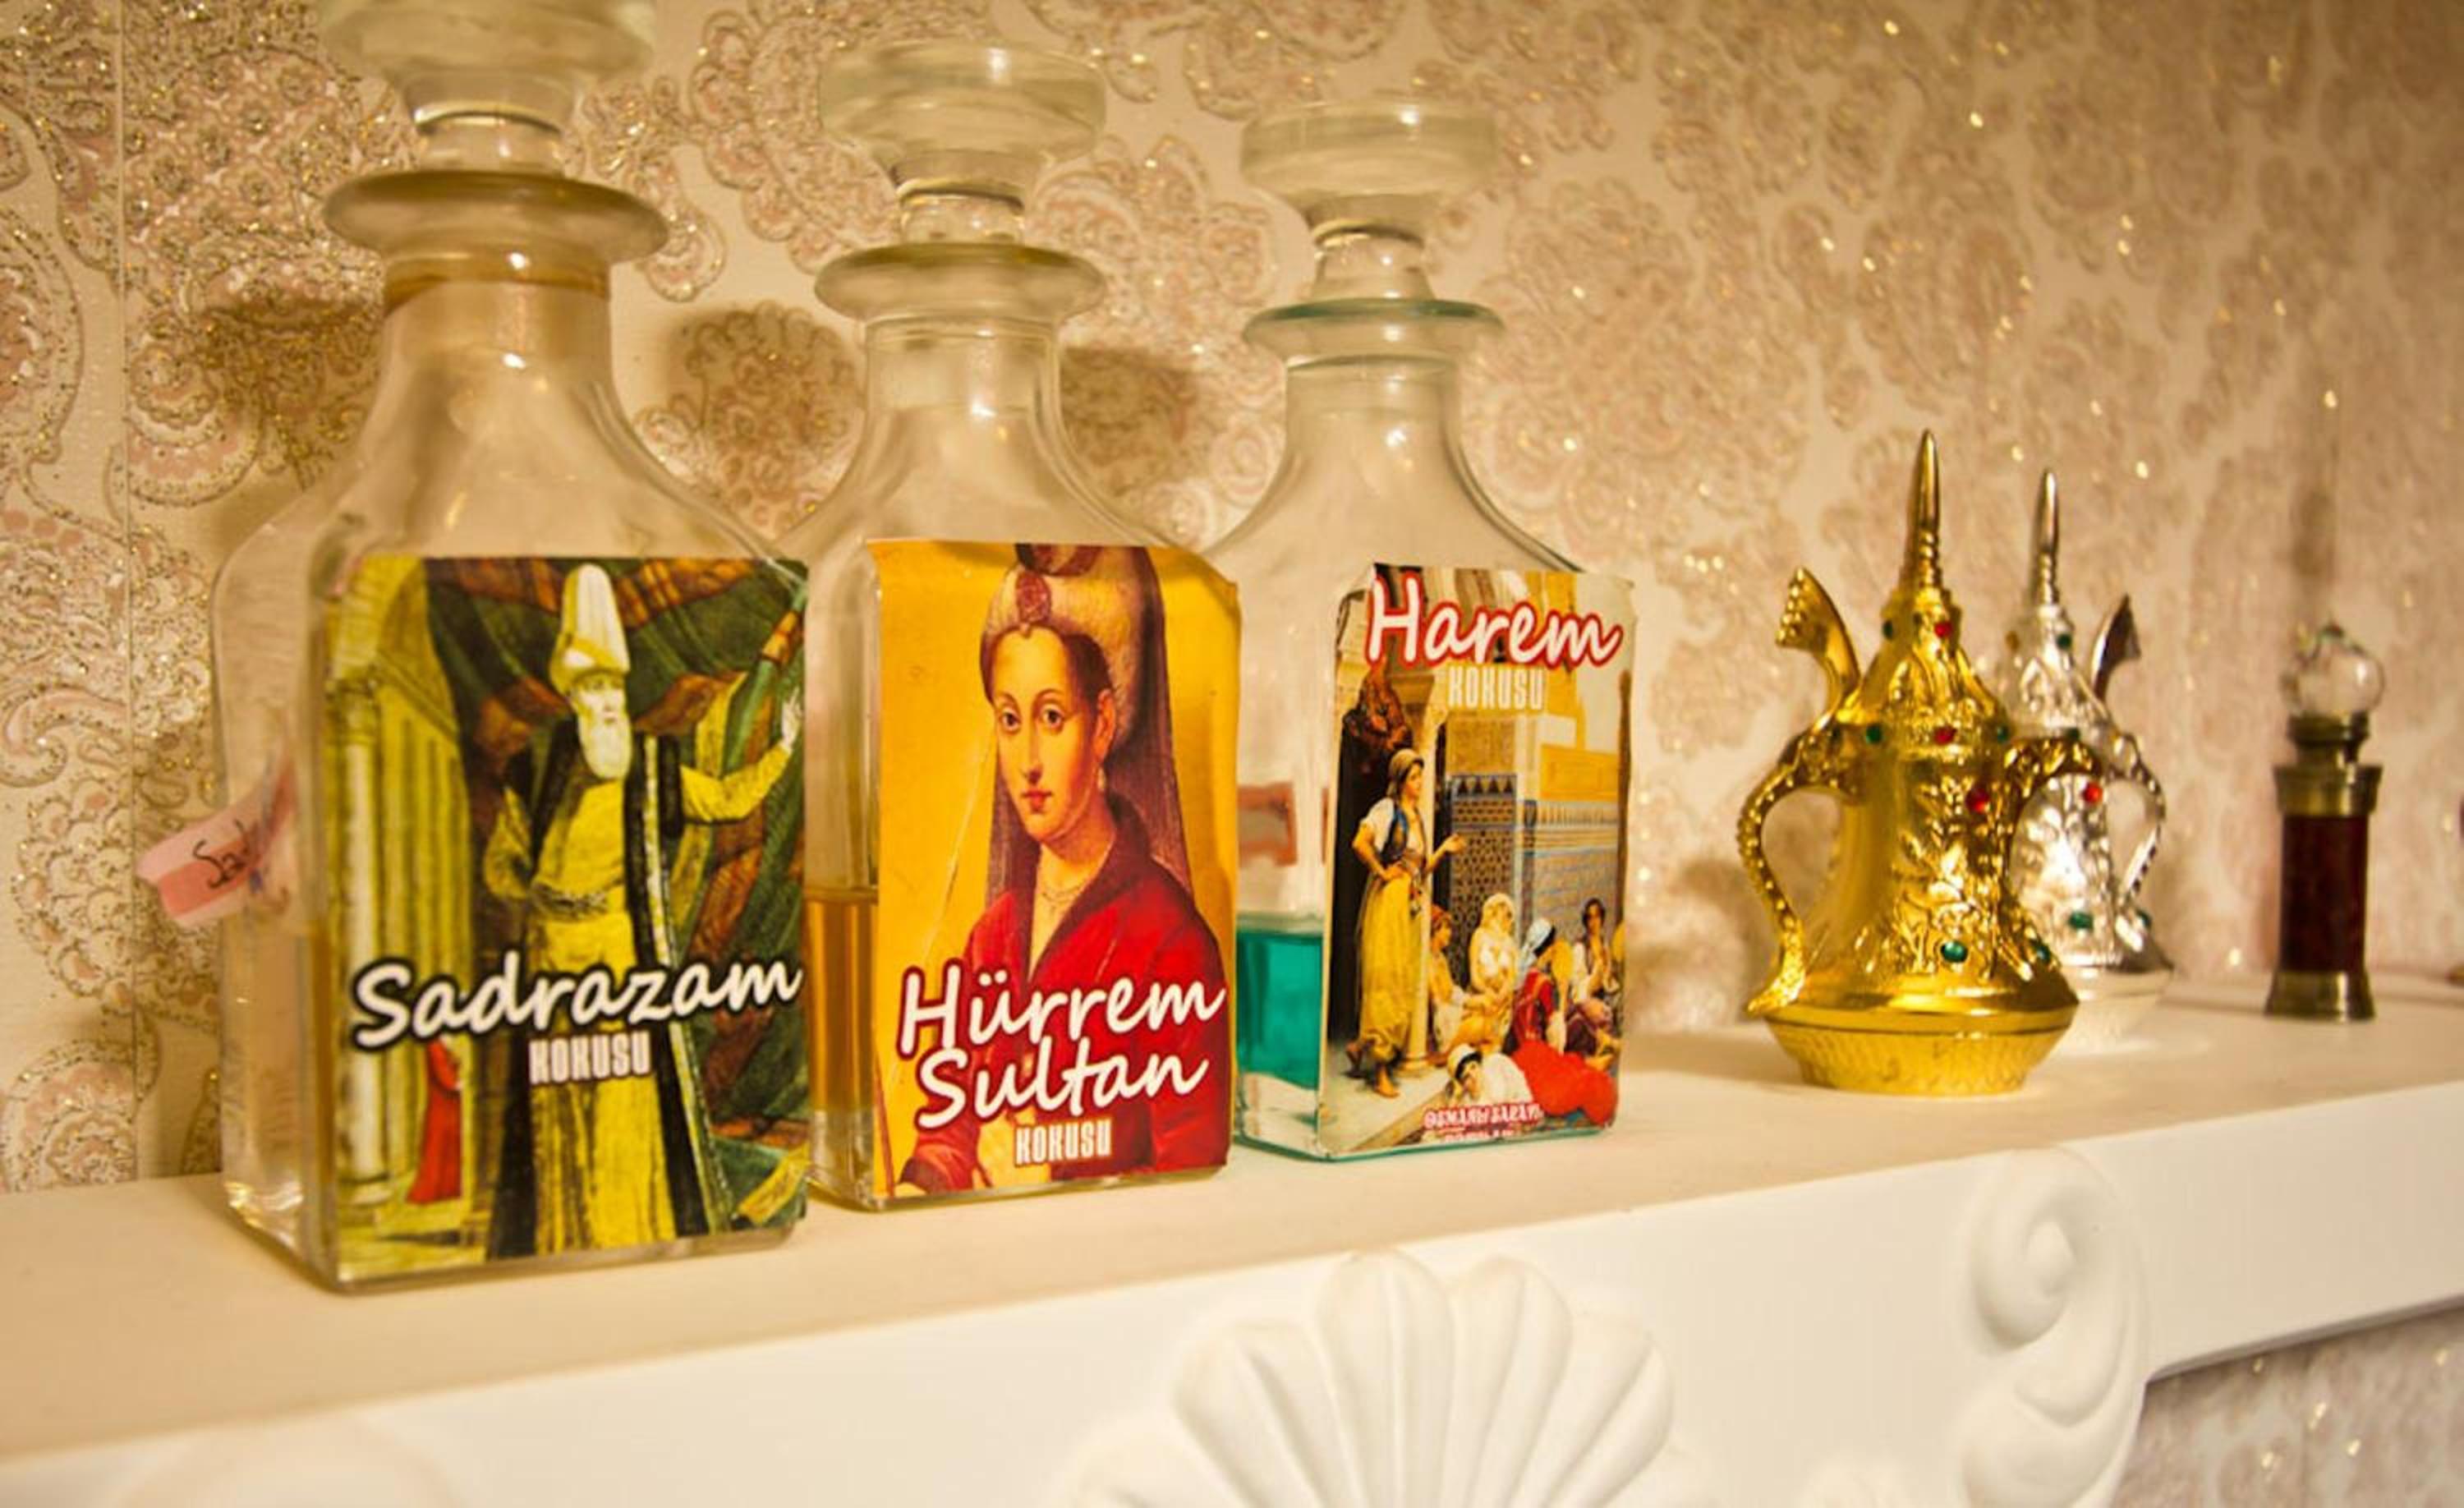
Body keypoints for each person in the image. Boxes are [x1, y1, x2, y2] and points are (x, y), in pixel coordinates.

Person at [481, 563, 797, 1254]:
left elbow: (728, 800)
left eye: (610, 690)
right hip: (550, 951)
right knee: (558, 1091)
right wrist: (533, 902)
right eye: (589, 691)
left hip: (618, 947)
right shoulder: (537, 770)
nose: (603, 705)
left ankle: (626, 1215)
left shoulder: (652, 769)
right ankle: (566, 1226)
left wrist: (782, 751)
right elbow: (502, 863)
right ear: (573, 698)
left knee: (622, 1085)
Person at [901, 547, 1229, 1193]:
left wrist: (1053, 1176)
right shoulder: (993, 933)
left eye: (1052, 718)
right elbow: (952, 1125)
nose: (1028, 759)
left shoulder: (1170, 941)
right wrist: (921, 1182)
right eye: (1009, 720)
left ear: (1101, 724)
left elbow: (1190, 1167)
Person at [1348, 747, 1464, 1097]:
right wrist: (1382, 871)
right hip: (1390, 899)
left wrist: (1442, 851)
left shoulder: (1418, 818)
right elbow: (1360, 843)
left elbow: (1422, 869)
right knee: (1387, 976)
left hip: (1412, 901)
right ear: (1400, 781)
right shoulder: (1387, 810)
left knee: (1404, 976)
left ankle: (1362, 1045)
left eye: (1420, 777)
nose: (1419, 783)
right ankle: (1380, 1068)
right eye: (1413, 777)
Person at [1506, 918, 1617, 1126]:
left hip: (1519, 1054)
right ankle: (1591, 1059)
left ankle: (1593, 1054)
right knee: (1577, 1079)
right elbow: (1556, 1035)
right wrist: (1564, 990)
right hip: (1534, 1056)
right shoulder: (1543, 982)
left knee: (1576, 1027)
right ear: (1548, 950)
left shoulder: (1525, 979)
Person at [1566, 897, 1623, 1060]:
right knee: (1601, 1014)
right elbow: (1578, 989)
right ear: (1586, 921)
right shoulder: (1580, 948)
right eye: (1590, 917)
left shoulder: (1604, 943)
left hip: (1604, 994)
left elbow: (1609, 980)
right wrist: (1596, 973)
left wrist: (1608, 973)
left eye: (1597, 916)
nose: (1594, 922)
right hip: (1585, 998)